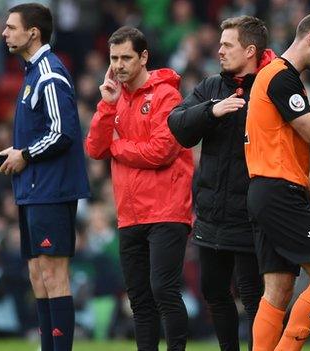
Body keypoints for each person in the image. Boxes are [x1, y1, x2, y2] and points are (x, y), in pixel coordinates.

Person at [168, 15, 274, 351]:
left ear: (250, 50)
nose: (219, 51)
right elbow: (178, 124)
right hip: (212, 213)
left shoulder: (273, 86)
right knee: (214, 291)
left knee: (254, 295)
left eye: (227, 45)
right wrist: (211, 111)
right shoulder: (211, 87)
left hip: (251, 213)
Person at [84, 26, 193, 351]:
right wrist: (106, 105)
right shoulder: (115, 99)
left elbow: (161, 151)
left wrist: (119, 148)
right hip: (129, 214)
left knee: (164, 290)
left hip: (166, 210)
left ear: (143, 57)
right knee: (140, 299)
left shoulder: (167, 96)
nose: (118, 65)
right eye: (114, 58)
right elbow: (94, 148)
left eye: (125, 57)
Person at [244, 12, 310, 351]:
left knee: (279, 290)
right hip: (279, 192)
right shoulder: (280, 78)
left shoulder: (282, 79)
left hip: (267, 190)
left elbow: (292, 150)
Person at [0, 3, 90, 351]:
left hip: (50, 190)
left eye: (11, 27)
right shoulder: (32, 73)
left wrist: (24, 154)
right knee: (38, 275)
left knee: (53, 274)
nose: (5, 33)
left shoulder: (49, 74)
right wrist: (17, 152)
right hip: (34, 189)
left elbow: (63, 131)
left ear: (32, 32)